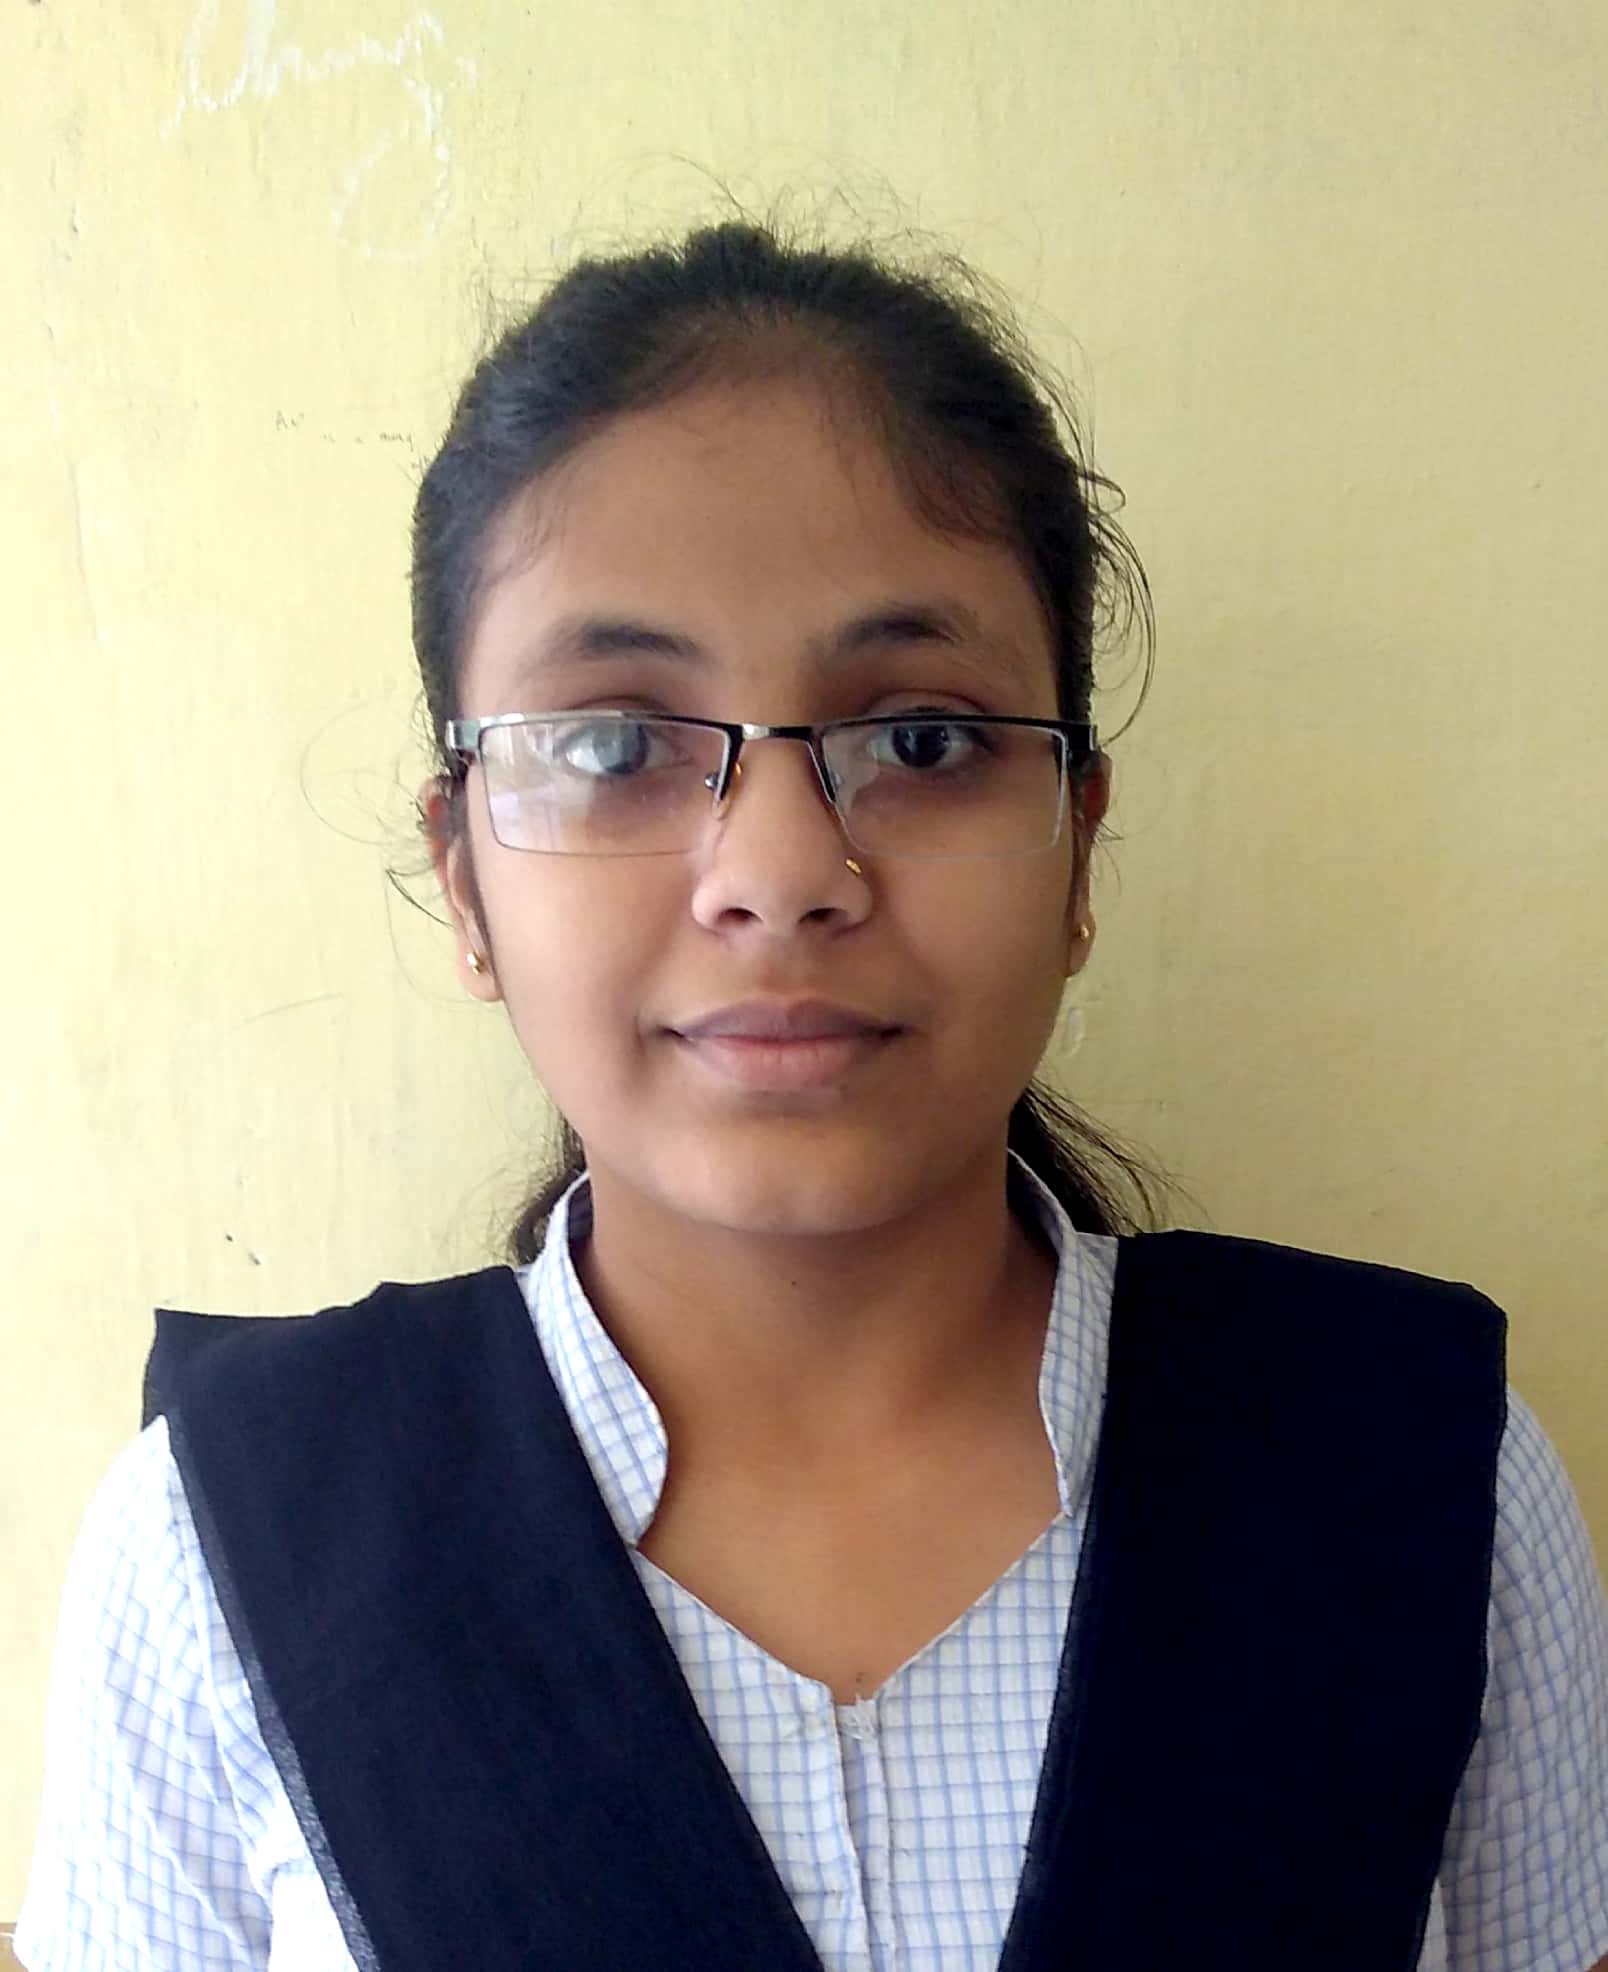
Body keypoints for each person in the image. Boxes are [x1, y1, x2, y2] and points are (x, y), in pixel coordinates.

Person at [16, 216, 1608, 1972]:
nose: (778, 876)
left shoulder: (1420, 1477)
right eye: (613, 743)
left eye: (922, 738)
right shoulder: (224, 1546)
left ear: (1078, 851)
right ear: (463, 879)